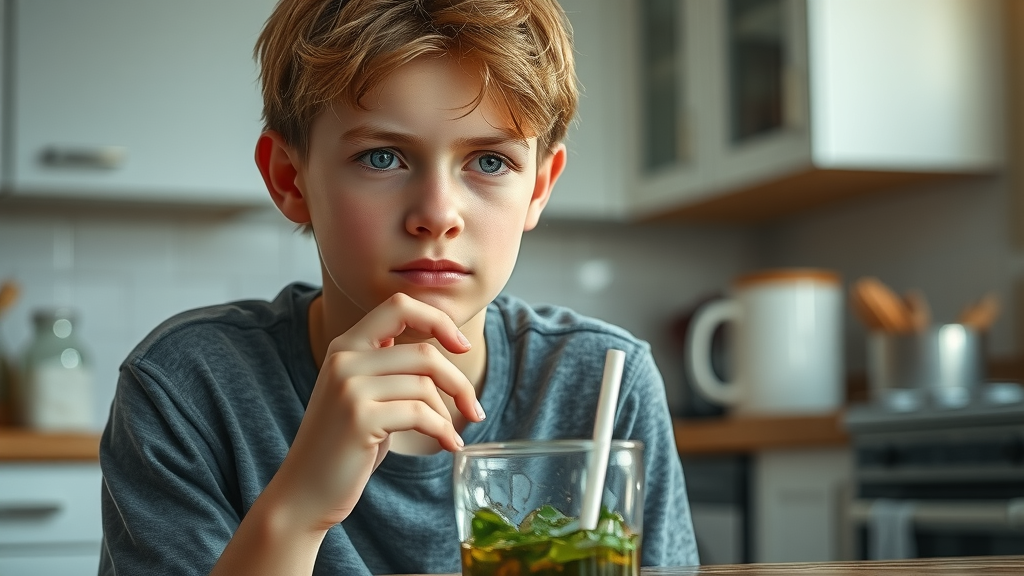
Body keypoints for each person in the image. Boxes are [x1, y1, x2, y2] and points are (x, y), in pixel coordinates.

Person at [97, 0, 700, 574]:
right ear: (290, 178)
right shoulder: (184, 388)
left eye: (489, 162)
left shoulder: (605, 383)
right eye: (382, 157)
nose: (438, 214)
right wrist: (299, 509)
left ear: (539, 187)